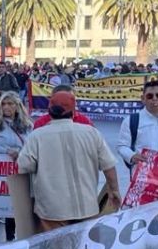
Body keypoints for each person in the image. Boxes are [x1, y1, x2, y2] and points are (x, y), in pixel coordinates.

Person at [17, 91, 120, 233]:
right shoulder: (91, 133)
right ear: (73, 111)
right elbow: (108, 166)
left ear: (49, 110)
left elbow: (23, 166)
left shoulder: (37, 136)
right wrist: (114, 190)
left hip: (52, 210)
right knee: (84, 248)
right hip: (87, 206)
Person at [0, 91, 32, 246]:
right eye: (3, 104)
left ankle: (11, 237)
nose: (6, 107)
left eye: (10, 104)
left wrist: (20, 153)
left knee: (13, 204)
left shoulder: (27, 125)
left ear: (17, 106)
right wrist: (6, 151)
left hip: (18, 170)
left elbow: (31, 147)